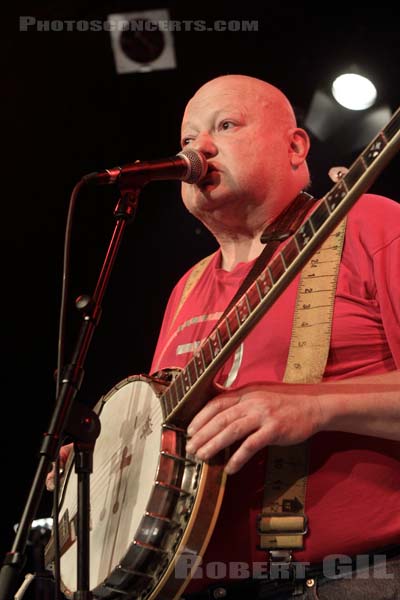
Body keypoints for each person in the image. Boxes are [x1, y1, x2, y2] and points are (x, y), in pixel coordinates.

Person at [48, 74, 400, 599]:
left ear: (295, 146)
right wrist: (104, 464)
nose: (199, 148)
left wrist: (317, 405)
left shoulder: (370, 223)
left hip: (353, 579)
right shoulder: (185, 289)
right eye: (188, 139)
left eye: (225, 125)